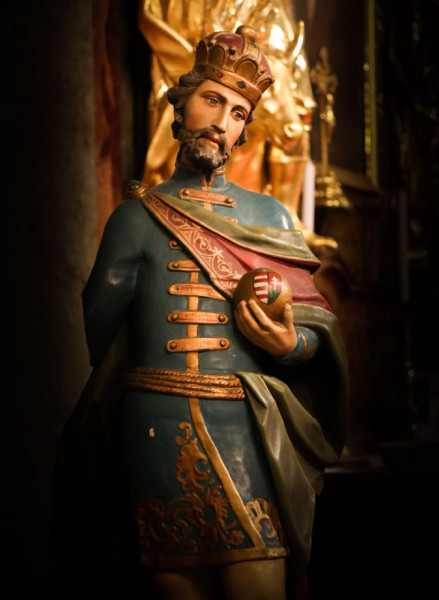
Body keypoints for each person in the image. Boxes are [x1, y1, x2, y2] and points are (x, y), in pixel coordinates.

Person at [52, 26, 347, 600]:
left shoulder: (270, 217)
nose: (222, 122)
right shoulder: (136, 217)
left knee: (261, 573)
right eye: (213, 100)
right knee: (175, 580)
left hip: (245, 423)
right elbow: (100, 328)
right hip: (154, 427)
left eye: (238, 114)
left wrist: (288, 343)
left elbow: (315, 321)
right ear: (181, 103)